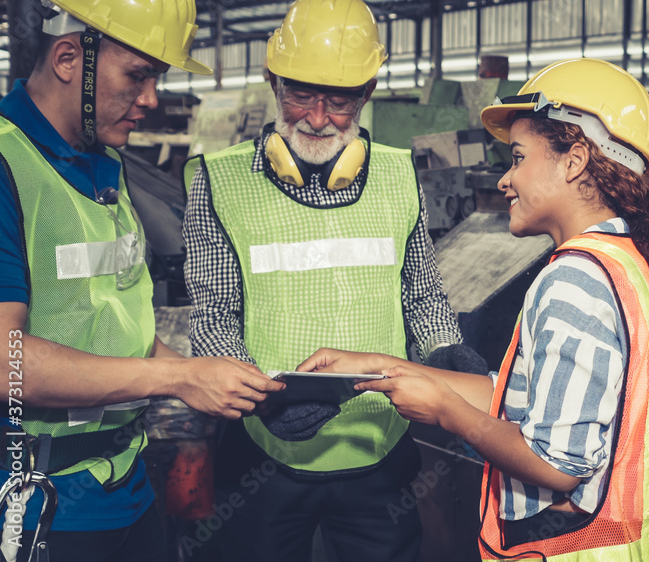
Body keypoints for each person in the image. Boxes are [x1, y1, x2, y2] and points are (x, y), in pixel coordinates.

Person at [299, 58, 649, 561]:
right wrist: (376, 365)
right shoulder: (629, 265)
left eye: (517, 158)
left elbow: (558, 464)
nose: (505, 180)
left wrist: (447, 412)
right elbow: (520, 403)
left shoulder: (575, 279)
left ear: (574, 160)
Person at [181, 0, 485, 560]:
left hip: (381, 451)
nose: (317, 118)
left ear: (366, 93)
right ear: (273, 81)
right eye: (300, 94)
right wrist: (259, 397)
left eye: (339, 101)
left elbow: (420, 295)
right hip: (264, 455)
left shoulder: (398, 175)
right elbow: (214, 317)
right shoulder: (218, 182)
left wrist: (445, 348)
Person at [0, 1, 284, 561]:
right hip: (40, 500)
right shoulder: (3, 164)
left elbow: (111, 323)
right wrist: (176, 380)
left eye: (157, 78)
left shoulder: (103, 161)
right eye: (138, 75)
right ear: (67, 58)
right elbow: (4, 360)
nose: (151, 98)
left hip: (127, 479)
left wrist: (215, 380)